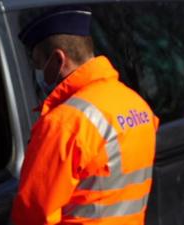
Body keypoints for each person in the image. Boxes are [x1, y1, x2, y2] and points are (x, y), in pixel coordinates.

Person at [11, 6, 159, 225]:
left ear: (58, 60)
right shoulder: (137, 105)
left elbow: (33, 215)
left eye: (37, 63)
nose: (37, 72)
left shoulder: (64, 124)